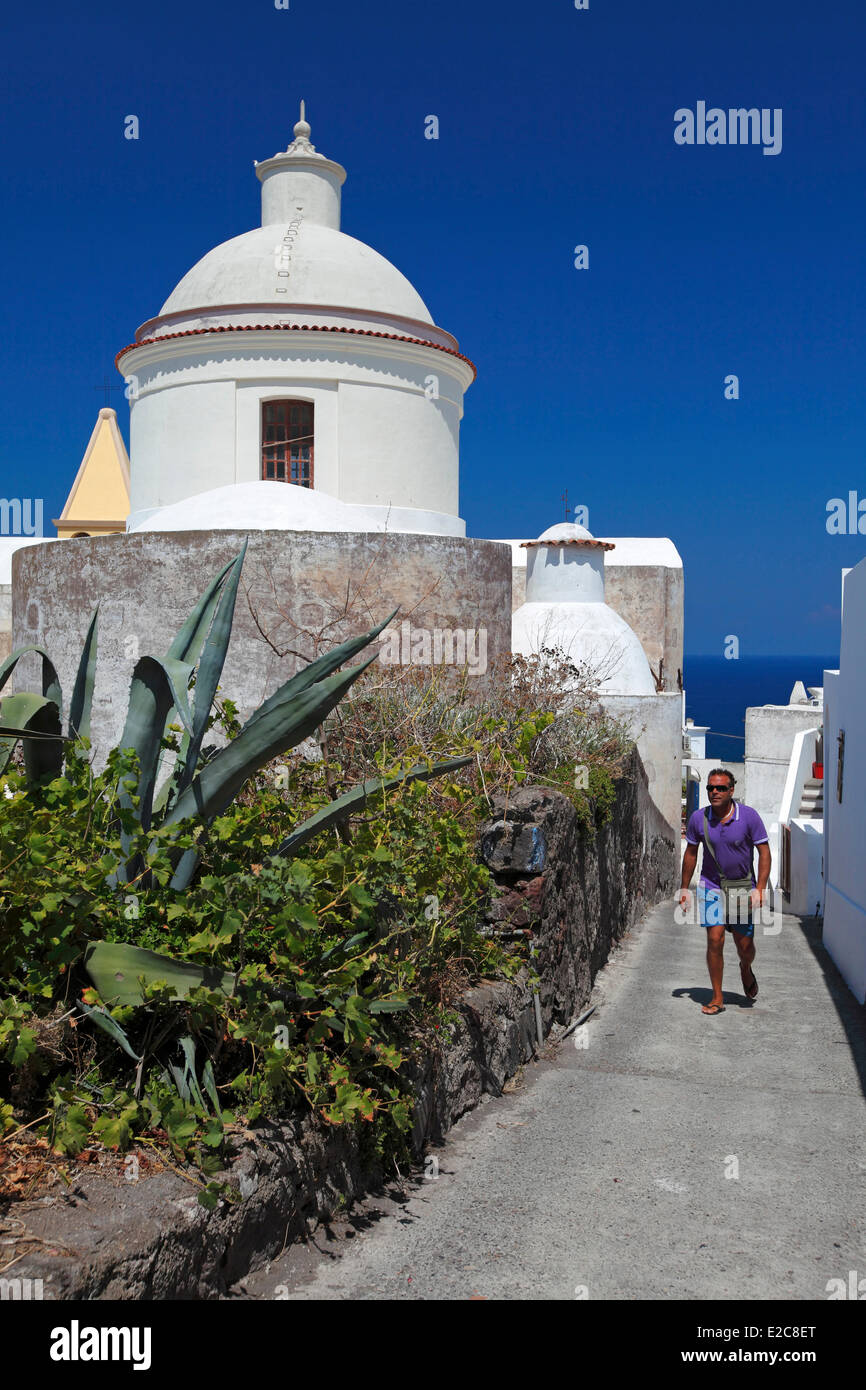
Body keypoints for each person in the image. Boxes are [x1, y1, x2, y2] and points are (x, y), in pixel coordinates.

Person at [679, 768, 771, 1016]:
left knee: (745, 946)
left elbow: (764, 852)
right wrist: (684, 888)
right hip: (711, 887)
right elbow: (690, 854)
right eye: (710, 788)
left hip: (742, 887)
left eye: (720, 788)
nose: (714, 792)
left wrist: (760, 889)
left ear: (731, 790)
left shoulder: (749, 817)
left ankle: (745, 967)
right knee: (715, 939)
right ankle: (717, 996)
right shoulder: (699, 818)